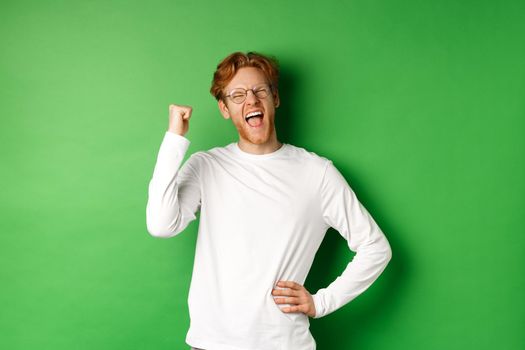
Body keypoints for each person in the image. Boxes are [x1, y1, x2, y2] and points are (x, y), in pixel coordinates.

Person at [146, 51, 392, 350]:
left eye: (259, 90)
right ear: (225, 108)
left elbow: (375, 247)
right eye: (237, 95)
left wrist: (321, 302)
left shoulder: (316, 173)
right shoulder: (206, 166)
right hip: (211, 344)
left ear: (274, 98)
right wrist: (174, 138)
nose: (251, 100)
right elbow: (161, 224)